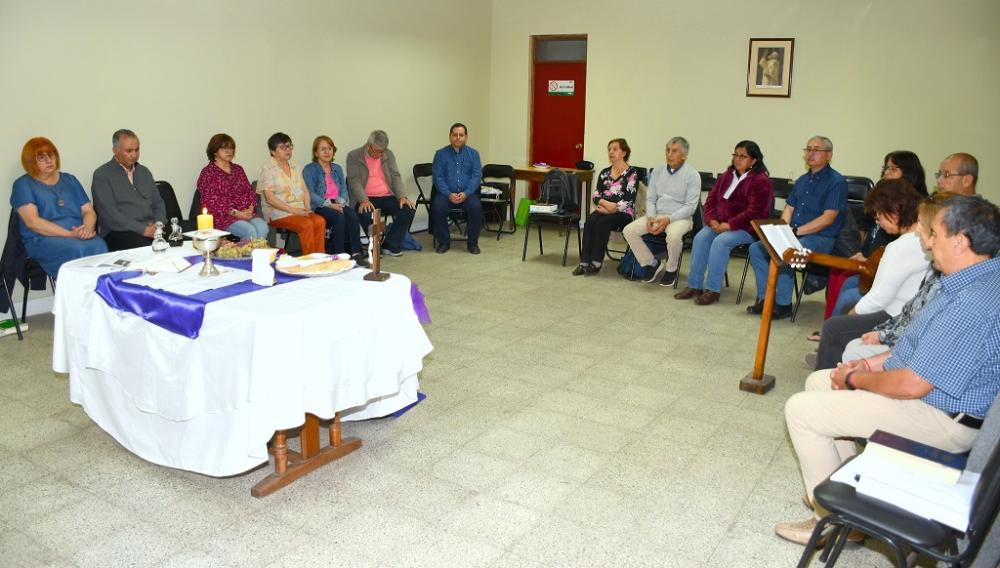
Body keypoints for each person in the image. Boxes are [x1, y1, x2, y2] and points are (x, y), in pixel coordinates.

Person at [776, 194, 1000, 546]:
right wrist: (867, 363)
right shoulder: (966, 279)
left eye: (935, 234)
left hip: (943, 419)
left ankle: (829, 523)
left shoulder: (971, 303)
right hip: (934, 402)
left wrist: (855, 378)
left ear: (960, 242)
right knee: (821, 382)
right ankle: (848, 504)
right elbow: (917, 345)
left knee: (800, 410)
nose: (927, 242)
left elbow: (913, 385)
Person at [810, 179, 930, 369]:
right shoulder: (922, 238)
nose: (877, 221)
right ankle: (833, 358)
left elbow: (879, 299)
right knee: (846, 309)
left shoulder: (900, 247)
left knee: (833, 327)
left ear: (895, 210)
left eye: (879, 214)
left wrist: (851, 315)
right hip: (907, 310)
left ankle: (827, 376)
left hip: (897, 315)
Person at [822, 150, 930, 321]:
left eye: (892, 168)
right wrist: (866, 258)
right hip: (878, 267)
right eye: (885, 168)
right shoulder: (889, 204)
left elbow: (882, 293)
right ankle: (833, 324)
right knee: (846, 280)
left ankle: (835, 326)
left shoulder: (911, 220)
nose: (886, 173)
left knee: (850, 295)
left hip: (899, 298)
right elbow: (875, 238)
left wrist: (846, 321)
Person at [747, 136, 847, 319]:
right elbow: (789, 208)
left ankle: (783, 304)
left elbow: (827, 219)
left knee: (787, 250)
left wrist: (794, 233)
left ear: (829, 155)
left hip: (821, 237)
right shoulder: (802, 180)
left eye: (816, 150)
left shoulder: (836, 182)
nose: (811, 153)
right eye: (808, 149)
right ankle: (766, 298)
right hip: (795, 233)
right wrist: (783, 230)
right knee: (756, 248)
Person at [675, 140, 773, 305]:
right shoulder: (727, 175)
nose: (738, 159)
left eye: (743, 156)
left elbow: (756, 212)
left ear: (754, 160)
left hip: (746, 228)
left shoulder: (760, 181)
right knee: (700, 238)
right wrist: (711, 219)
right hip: (719, 224)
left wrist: (730, 225)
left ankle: (713, 289)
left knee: (720, 242)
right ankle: (694, 285)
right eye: (736, 155)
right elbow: (711, 200)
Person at [10, 137, 108, 277]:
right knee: (77, 249)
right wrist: (69, 234)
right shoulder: (23, 185)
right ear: (31, 161)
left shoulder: (70, 180)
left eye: (51, 155)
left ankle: (98, 289)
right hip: (43, 238)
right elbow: (33, 222)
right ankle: (76, 290)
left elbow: (88, 210)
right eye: (41, 157)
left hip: (77, 234)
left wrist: (87, 229)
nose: (48, 160)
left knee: (100, 244)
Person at [622, 136, 699, 287]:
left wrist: (669, 219)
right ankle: (651, 263)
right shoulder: (657, 171)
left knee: (673, 236)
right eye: (668, 150)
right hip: (657, 215)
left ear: (684, 155)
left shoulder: (692, 175)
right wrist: (651, 217)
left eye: (674, 151)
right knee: (629, 230)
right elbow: (650, 199)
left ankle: (671, 269)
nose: (669, 154)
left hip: (681, 218)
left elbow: (691, 206)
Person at [572, 138, 639, 276]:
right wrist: (607, 205)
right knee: (590, 221)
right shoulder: (604, 173)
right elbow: (596, 195)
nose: (611, 152)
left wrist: (612, 208)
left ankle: (596, 262)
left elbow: (628, 200)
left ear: (624, 152)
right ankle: (584, 262)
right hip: (605, 208)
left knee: (603, 223)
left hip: (623, 213)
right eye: (609, 149)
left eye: (615, 149)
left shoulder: (632, 173)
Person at [91, 129, 166, 251]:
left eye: (137, 150)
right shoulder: (102, 175)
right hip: (119, 231)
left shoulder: (144, 172)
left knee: (181, 239)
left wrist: (159, 225)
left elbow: (158, 203)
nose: (134, 155)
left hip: (152, 228)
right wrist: (143, 229)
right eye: (129, 151)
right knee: (148, 249)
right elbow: (110, 215)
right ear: (115, 150)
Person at [345, 130, 415, 257]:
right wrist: (363, 200)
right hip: (366, 197)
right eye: (375, 151)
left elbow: (395, 176)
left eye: (381, 151)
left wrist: (402, 197)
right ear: (369, 145)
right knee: (364, 212)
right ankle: (375, 246)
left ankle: (390, 245)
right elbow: (354, 180)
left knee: (408, 209)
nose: (378, 155)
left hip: (387, 196)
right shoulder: (354, 156)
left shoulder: (388, 154)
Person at [302, 136, 369, 266]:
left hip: (338, 202)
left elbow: (344, 188)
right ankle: (339, 256)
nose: (327, 152)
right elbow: (310, 193)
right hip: (320, 205)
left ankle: (356, 253)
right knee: (339, 217)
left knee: (352, 214)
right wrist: (330, 204)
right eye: (323, 149)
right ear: (316, 153)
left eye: (330, 148)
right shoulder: (309, 170)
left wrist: (341, 201)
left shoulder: (337, 168)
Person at [257, 133, 326, 255]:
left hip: (300, 209)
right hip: (278, 213)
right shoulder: (267, 169)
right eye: (282, 147)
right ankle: (310, 261)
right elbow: (270, 199)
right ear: (273, 151)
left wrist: (307, 208)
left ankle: (320, 258)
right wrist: (294, 211)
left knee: (320, 221)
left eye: (289, 146)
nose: (287, 150)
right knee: (306, 224)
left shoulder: (296, 166)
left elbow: (305, 191)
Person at [196, 133, 269, 241]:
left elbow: (249, 191)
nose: (229, 151)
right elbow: (211, 201)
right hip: (223, 216)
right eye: (224, 148)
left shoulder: (238, 169)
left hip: (246, 212)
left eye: (231, 148)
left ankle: (256, 252)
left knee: (263, 228)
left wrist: (251, 208)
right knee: (250, 231)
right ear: (215, 151)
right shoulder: (208, 173)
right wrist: (237, 213)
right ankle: (242, 252)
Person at [431, 123, 483, 254]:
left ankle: (472, 243)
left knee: (476, 207)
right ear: (450, 136)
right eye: (455, 135)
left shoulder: (474, 154)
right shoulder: (440, 154)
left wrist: (466, 192)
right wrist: (448, 194)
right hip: (446, 194)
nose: (458, 138)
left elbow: (476, 176)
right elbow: (438, 177)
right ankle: (444, 242)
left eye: (461, 135)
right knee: (437, 206)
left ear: (466, 137)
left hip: (468, 194)